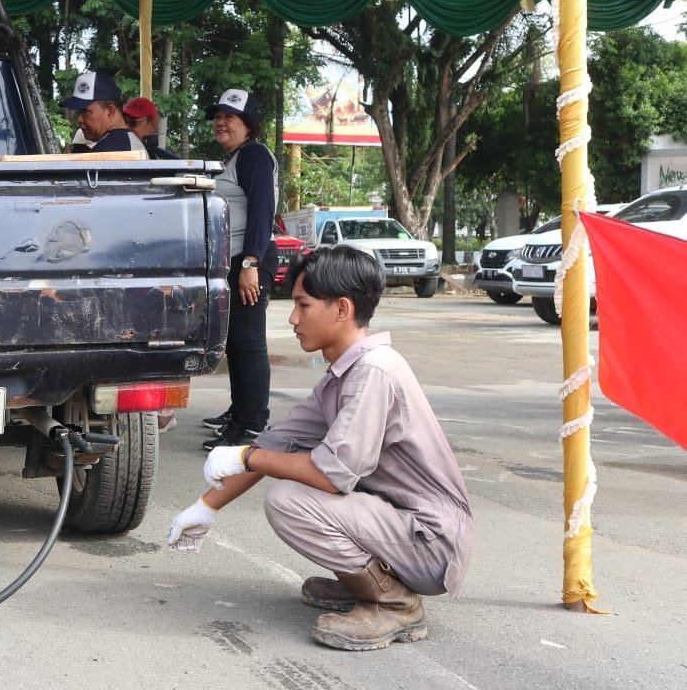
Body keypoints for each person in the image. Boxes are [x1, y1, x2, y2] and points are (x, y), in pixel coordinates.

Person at [165, 246, 474, 652]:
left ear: (342, 309)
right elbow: (275, 444)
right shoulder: (344, 375)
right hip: (402, 526)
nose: (293, 319)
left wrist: (244, 457)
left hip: (430, 542)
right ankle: (366, 582)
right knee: (291, 482)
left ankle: (395, 602)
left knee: (290, 500)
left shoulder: (373, 372)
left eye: (302, 305)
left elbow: (328, 475)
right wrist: (207, 507)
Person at [202, 88, 278, 450]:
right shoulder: (233, 159)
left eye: (229, 117)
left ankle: (252, 425)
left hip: (249, 260)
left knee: (248, 343)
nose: (221, 122)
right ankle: (240, 412)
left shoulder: (255, 157)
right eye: (218, 116)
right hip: (231, 261)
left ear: (249, 124)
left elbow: (263, 212)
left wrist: (250, 263)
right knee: (234, 343)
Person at [60, 71, 146, 154]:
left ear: (110, 111)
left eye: (86, 112)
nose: (80, 119)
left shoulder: (113, 151)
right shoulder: (124, 142)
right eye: (79, 112)